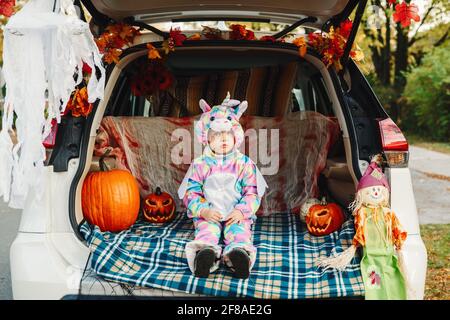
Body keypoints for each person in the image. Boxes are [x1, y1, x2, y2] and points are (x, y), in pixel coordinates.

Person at [178, 92, 268, 278]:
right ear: (207, 138)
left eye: (228, 134)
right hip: (210, 213)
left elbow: (252, 192)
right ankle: (205, 256)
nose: (224, 139)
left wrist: (242, 211)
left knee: (239, 232)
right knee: (206, 232)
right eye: (217, 135)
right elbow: (191, 192)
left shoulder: (244, 163)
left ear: (237, 136)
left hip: (235, 214)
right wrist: (203, 211)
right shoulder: (200, 164)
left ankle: (238, 255)